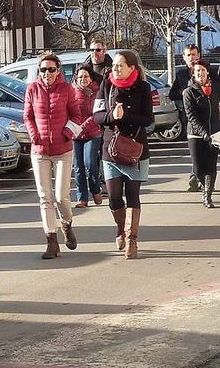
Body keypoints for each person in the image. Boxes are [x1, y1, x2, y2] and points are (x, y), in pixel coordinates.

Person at [94, 49, 154, 260]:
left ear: (132, 68)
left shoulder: (143, 87)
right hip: (111, 148)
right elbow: (97, 116)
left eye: (120, 65)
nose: (115, 69)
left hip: (135, 149)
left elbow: (148, 119)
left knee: (133, 194)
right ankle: (121, 228)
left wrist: (127, 115)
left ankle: (132, 239)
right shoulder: (106, 84)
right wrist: (112, 115)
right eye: (114, 65)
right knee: (114, 196)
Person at [23, 51, 82, 259]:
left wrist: (66, 133)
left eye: (51, 69)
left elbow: (76, 116)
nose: (47, 73)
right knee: (44, 197)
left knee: (60, 196)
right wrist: (34, 135)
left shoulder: (67, 89)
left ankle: (66, 223)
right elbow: (28, 116)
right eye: (43, 69)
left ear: (58, 71)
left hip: (63, 150)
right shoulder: (32, 89)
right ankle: (51, 240)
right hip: (39, 151)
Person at [183, 61, 220, 207]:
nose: (200, 73)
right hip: (196, 134)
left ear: (207, 72)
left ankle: (207, 194)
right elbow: (191, 116)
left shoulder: (216, 88)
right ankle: (201, 183)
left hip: (214, 133)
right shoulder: (189, 92)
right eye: (197, 71)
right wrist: (203, 132)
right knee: (199, 168)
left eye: (203, 70)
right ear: (193, 74)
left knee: (211, 166)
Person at [168, 43, 202, 189]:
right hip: (189, 118)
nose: (192, 58)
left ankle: (196, 176)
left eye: (194, 54)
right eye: (188, 55)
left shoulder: (205, 70)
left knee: (204, 150)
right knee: (195, 150)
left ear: (198, 55)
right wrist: (183, 93)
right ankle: (196, 176)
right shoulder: (181, 74)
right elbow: (172, 94)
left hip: (204, 115)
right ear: (184, 58)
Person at [71, 64, 103, 208]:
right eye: (80, 77)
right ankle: (82, 197)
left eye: (86, 76)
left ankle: (96, 189)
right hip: (75, 134)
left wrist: (83, 127)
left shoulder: (97, 91)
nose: (83, 79)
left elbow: (96, 114)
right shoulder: (71, 92)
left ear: (91, 78)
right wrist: (74, 128)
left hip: (92, 132)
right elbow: (69, 112)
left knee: (90, 163)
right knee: (78, 167)